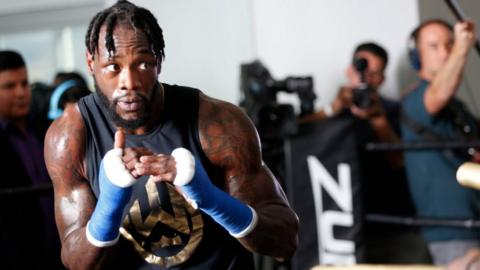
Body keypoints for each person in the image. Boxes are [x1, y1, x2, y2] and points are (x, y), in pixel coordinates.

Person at [44, 1, 299, 269]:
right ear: (90, 62)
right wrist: (110, 202)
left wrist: (210, 198)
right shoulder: (70, 136)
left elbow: (284, 241)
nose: (128, 82)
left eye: (142, 64)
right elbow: (77, 263)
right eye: (113, 67)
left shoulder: (217, 124)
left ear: (159, 61)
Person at [301, 42, 428, 263]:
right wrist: (333, 108)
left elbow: (401, 161)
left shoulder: (395, 110)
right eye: (361, 70)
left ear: (382, 79)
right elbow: (298, 134)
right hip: (343, 230)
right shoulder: (334, 111)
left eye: (374, 73)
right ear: (350, 71)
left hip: (394, 226)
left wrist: (378, 119)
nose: (365, 78)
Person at [402, 18, 480, 265]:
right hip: (453, 234)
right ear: (417, 57)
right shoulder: (415, 101)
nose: (446, 52)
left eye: (450, 44)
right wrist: (462, 47)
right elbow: (440, 92)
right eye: (434, 46)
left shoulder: (458, 108)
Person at [0, 50, 62, 269]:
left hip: (62, 254)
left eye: (24, 83)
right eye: (9, 86)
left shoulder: (47, 129)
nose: (21, 93)